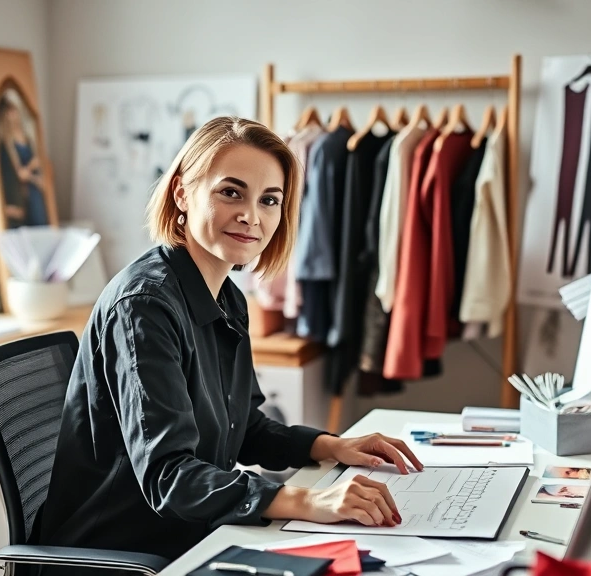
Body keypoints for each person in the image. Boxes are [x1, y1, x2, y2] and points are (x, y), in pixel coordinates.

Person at [37, 117, 422, 573]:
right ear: (182, 193)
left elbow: (243, 428)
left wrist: (331, 446)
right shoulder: (143, 306)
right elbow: (170, 476)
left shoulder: (226, 296)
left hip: (195, 532)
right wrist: (309, 499)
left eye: (269, 200)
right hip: (125, 554)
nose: (251, 216)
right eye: (231, 192)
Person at [0, 94, 50, 227]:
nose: (13, 115)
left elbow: (38, 163)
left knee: (41, 221)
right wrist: (31, 168)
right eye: (9, 112)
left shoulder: (28, 139)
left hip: (35, 187)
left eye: (14, 110)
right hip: (22, 192)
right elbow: (18, 174)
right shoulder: (7, 145)